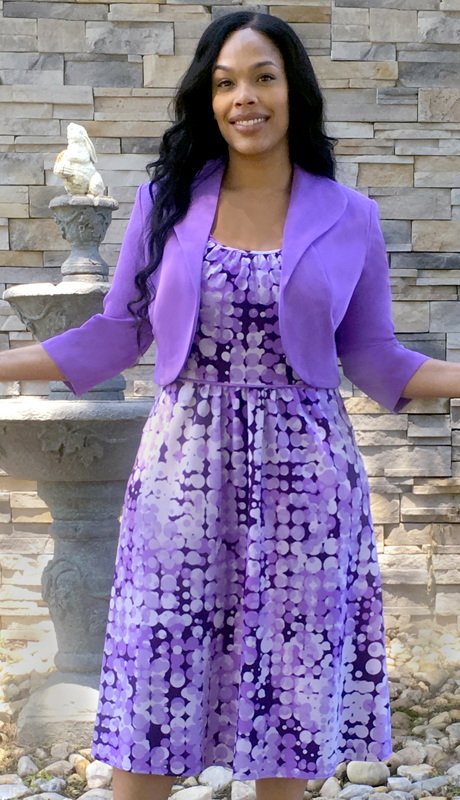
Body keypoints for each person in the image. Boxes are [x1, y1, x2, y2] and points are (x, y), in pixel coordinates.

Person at [2, 11, 460, 800]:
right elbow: (116, 334)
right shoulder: (166, 201)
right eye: (224, 83)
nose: (244, 97)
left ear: (293, 91)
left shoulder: (351, 217)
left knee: (288, 704)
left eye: (262, 77)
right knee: (154, 690)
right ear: (208, 100)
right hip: (181, 475)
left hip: (306, 487)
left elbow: (375, 357)